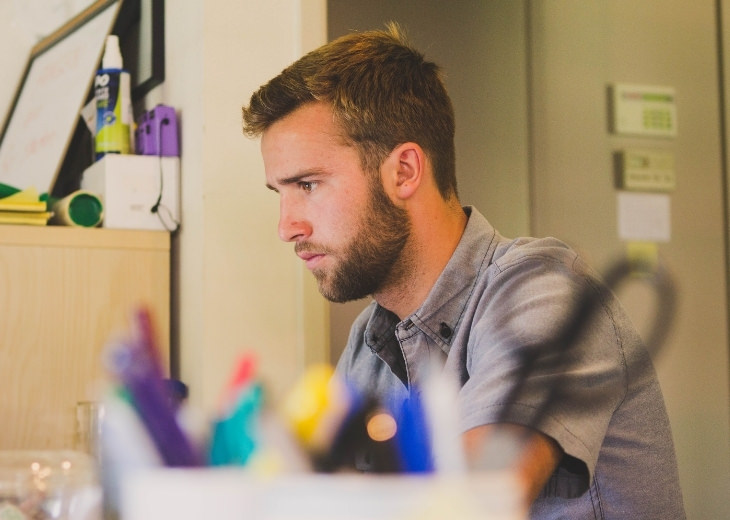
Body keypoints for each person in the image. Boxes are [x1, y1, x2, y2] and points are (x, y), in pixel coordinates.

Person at [242, 23, 685, 519]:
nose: (287, 227)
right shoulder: (370, 340)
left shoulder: (544, 290)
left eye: (307, 185)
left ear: (404, 171)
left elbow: (478, 502)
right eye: (278, 193)